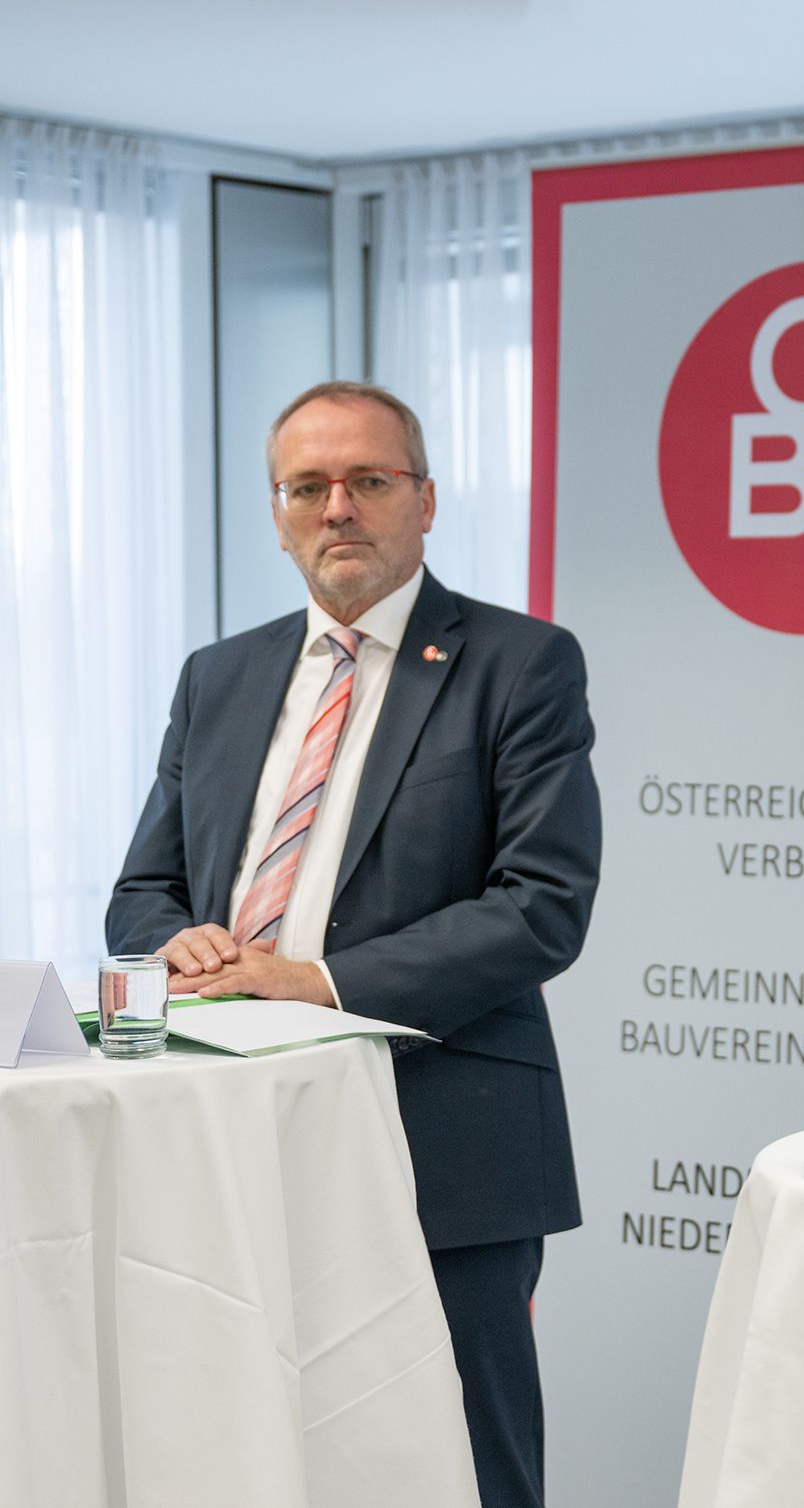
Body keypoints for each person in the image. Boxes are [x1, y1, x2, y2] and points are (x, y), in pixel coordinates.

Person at [107, 380, 599, 1508]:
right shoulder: (217, 676)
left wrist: (312, 980)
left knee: (466, 1462)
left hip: (441, 1137)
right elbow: (142, 889)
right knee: (252, 1452)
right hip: (229, 1137)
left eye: (369, 481)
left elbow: (541, 905)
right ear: (277, 512)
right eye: (309, 486)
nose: (340, 507)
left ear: (423, 502)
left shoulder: (521, 665)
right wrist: (178, 945)